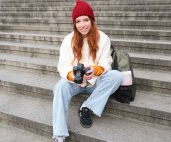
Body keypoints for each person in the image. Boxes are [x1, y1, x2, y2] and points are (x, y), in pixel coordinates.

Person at [51, 0, 123, 142]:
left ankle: (87, 107)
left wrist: (97, 70)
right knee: (59, 87)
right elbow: (63, 65)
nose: (82, 25)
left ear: (92, 20)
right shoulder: (68, 40)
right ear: (74, 24)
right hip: (76, 83)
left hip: (95, 81)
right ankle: (59, 134)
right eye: (78, 21)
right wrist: (72, 76)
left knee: (116, 76)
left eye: (86, 20)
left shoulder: (103, 38)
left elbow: (106, 61)